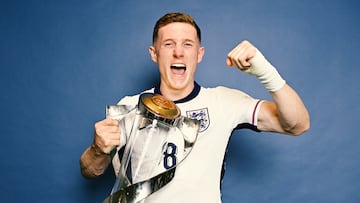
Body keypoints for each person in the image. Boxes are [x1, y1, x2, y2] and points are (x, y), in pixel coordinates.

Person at [80, 12, 310, 203]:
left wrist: (264, 70)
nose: (178, 52)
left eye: (187, 44)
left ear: (199, 54)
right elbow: (90, 171)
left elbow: (298, 124)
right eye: (168, 44)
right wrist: (97, 149)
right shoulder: (129, 106)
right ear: (154, 54)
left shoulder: (224, 102)